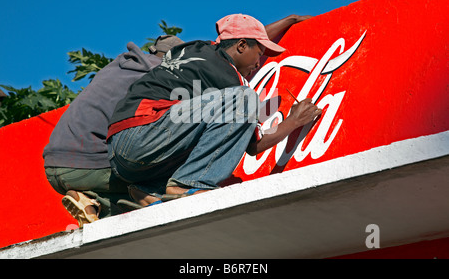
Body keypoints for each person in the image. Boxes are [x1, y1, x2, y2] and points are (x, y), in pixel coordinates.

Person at [107, 13, 321, 209]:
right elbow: (254, 145)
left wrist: (289, 21)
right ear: (241, 46)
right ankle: (189, 183)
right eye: (260, 53)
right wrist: (294, 121)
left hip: (121, 153)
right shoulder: (228, 75)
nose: (258, 63)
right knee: (244, 97)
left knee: (205, 131)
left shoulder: (197, 48)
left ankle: (149, 188)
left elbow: (241, 38)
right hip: (145, 135)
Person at [43, 35, 184, 226]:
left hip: (55, 165)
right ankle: (148, 193)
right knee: (170, 155)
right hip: (90, 164)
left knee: (125, 208)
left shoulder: (116, 68)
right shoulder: (160, 77)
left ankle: (90, 204)